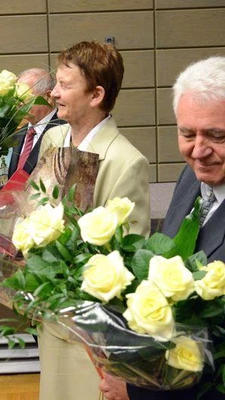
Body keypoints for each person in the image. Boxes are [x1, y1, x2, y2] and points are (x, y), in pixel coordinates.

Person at [100, 56, 225, 400]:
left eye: (217, 135)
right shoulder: (192, 178)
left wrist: (137, 391)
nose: (199, 151)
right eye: (187, 133)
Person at [36, 40, 151, 400]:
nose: (53, 93)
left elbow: (125, 261)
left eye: (65, 85)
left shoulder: (126, 161)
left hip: (91, 334)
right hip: (50, 320)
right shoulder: (53, 139)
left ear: (96, 94)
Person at [7, 68, 65, 177]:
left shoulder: (64, 131)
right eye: (17, 96)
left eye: (25, 96)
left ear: (48, 97)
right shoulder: (20, 133)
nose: (18, 103)